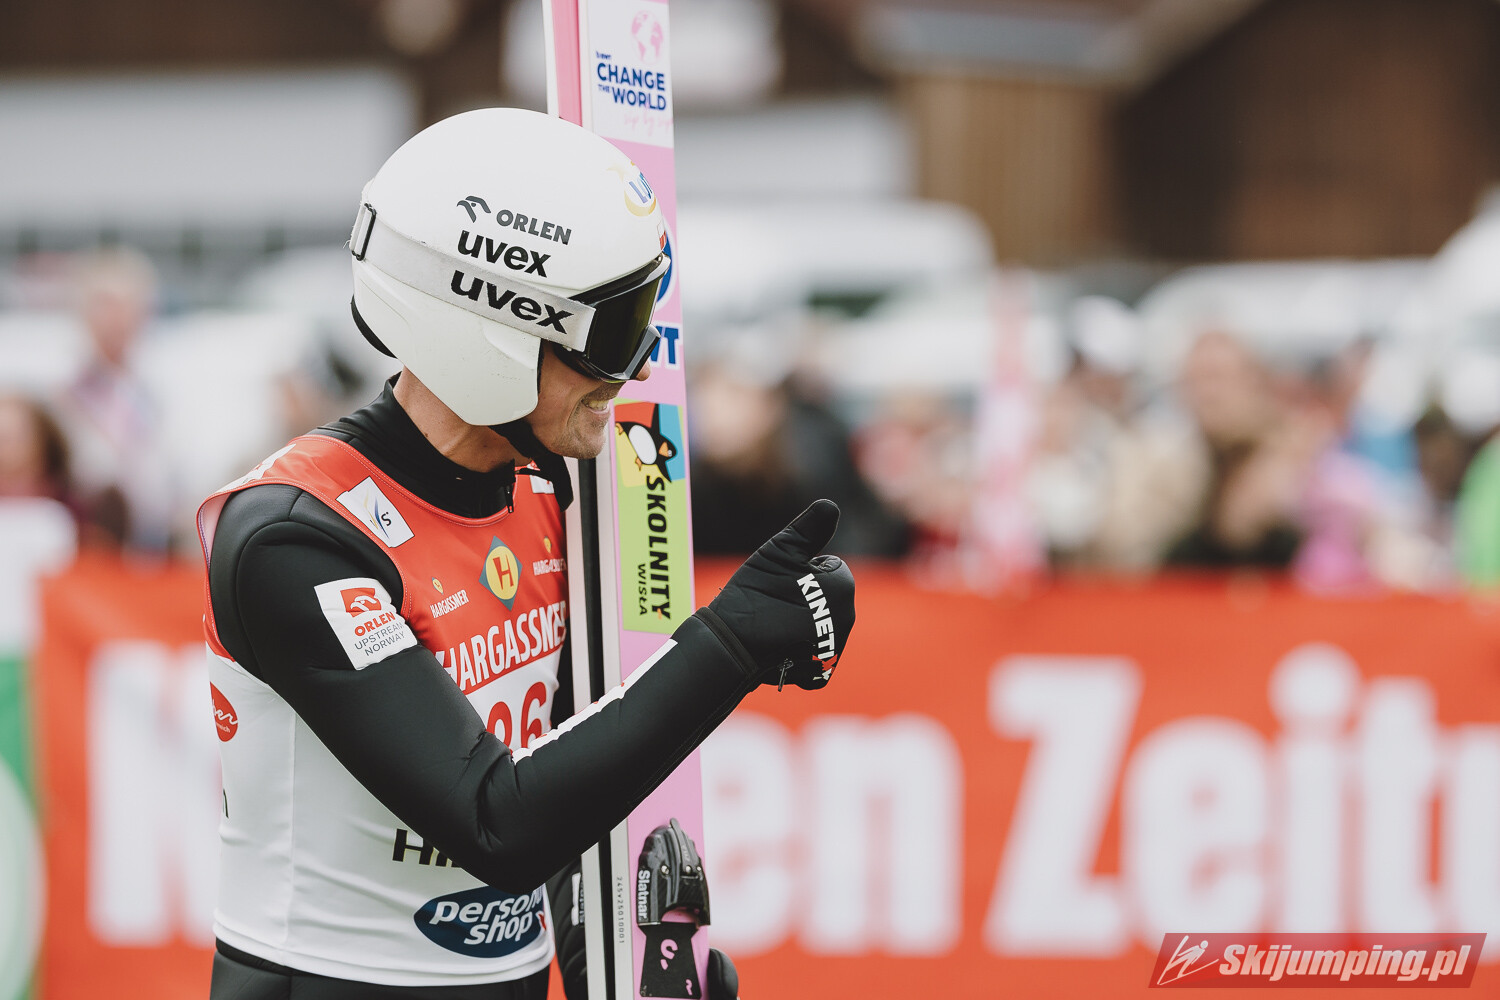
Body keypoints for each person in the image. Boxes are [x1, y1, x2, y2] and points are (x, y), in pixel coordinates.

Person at [198, 109, 856, 999]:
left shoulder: (550, 486)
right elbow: (494, 822)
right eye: (612, 335)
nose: (635, 372)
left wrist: (603, 946)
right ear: (490, 331)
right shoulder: (294, 537)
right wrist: (731, 647)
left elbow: (570, 750)